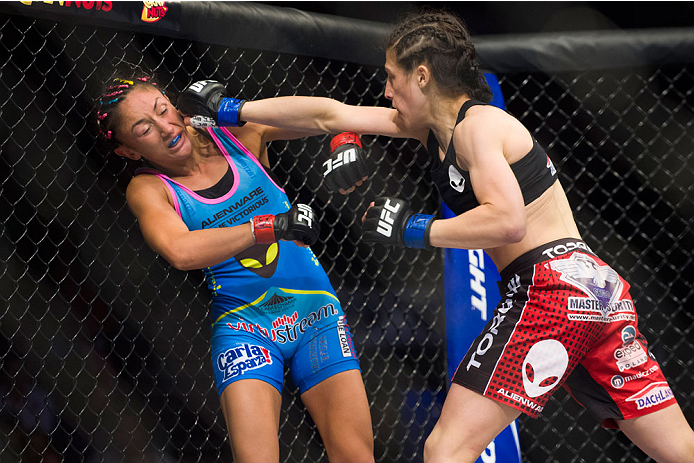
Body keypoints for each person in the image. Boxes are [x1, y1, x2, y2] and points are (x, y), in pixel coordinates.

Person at [193, 9, 694, 463]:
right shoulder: (432, 131)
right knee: (678, 448)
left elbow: (508, 220)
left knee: (446, 449)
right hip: (597, 291)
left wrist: (416, 230)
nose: (386, 91)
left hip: (550, 290)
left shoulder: (479, 128)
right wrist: (235, 109)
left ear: (423, 75)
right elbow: (329, 113)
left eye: (392, 78)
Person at [95, 76, 374, 463]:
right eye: (144, 129)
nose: (165, 128)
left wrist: (346, 139)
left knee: (356, 456)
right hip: (246, 329)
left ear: (173, 102)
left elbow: (324, 114)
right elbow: (180, 250)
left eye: (162, 110)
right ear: (127, 150)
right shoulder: (150, 189)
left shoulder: (231, 130)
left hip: (316, 313)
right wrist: (268, 226)